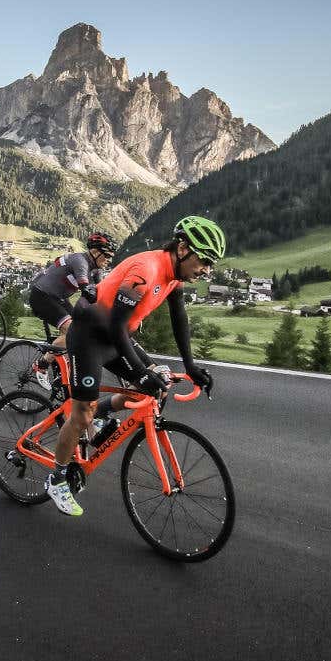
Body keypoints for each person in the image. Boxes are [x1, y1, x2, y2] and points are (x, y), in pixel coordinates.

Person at [43, 216, 222, 517]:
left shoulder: (173, 275)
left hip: (116, 335)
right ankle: (57, 478)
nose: (206, 270)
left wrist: (190, 367)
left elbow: (179, 319)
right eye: (204, 260)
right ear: (182, 249)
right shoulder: (146, 270)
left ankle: (99, 415)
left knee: (156, 388)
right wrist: (140, 372)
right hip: (90, 335)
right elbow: (115, 326)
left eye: (211, 264)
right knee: (82, 412)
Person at [28, 232, 117, 384]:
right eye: (107, 256)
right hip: (42, 297)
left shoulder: (95, 269)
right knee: (72, 332)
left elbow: (101, 292)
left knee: (84, 329)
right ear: (95, 252)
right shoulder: (80, 261)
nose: (109, 260)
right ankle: (41, 365)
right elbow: (86, 290)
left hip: (59, 298)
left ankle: (63, 359)